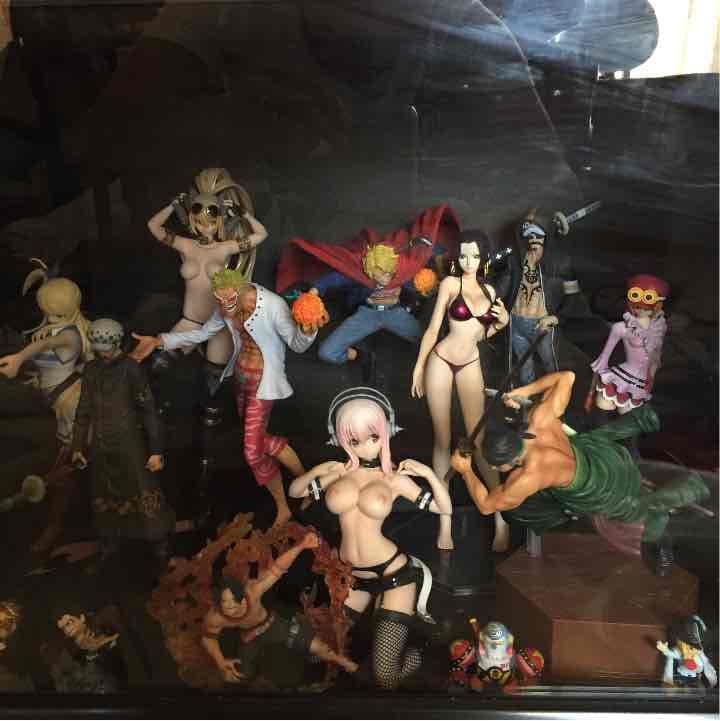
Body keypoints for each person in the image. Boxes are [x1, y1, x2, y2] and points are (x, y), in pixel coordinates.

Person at [450, 370, 710, 575]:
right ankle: (640, 425)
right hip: (608, 457)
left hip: (601, 488)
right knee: (584, 441)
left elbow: (486, 505)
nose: (494, 469)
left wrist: (466, 471)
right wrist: (525, 391)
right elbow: (567, 376)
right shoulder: (540, 418)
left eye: (496, 466)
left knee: (635, 509)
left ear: (507, 461)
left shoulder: (528, 477)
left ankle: (685, 493)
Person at [289, 388, 452, 690]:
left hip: (393, 574)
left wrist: (429, 474)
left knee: (386, 677)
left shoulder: (394, 479)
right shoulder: (339, 473)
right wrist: (319, 470)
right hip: (351, 577)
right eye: (354, 440)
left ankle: (418, 655)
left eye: (373, 437)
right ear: (340, 438)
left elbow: (444, 508)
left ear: (385, 433)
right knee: (314, 654)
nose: (366, 446)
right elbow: (296, 492)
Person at [131, 269, 322, 528]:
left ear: (241, 290)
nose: (224, 307)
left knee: (252, 452)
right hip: (240, 379)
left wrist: (308, 329)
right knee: (259, 441)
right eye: (219, 301)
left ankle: (286, 504)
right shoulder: (225, 305)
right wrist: (160, 341)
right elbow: (202, 333)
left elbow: (297, 345)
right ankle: (305, 484)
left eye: (229, 301)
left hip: (263, 384)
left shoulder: (273, 305)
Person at [276, 205, 458, 379]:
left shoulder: (403, 269)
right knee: (327, 352)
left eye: (388, 275)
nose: (385, 280)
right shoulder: (360, 273)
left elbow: (429, 250)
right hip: (367, 315)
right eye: (379, 275)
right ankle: (362, 355)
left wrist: (437, 277)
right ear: (369, 271)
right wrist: (312, 294)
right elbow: (331, 279)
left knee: (435, 344)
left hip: (395, 314)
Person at [411, 231, 510, 551]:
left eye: (475, 256)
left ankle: (500, 519)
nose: (468, 261)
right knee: (442, 440)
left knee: (477, 441)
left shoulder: (490, 291)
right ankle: (445, 523)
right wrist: (419, 367)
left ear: (484, 258)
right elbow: (433, 329)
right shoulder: (450, 284)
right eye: (464, 255)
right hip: (441, 360)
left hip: (470, 362)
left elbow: (479, 334)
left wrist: (502, 323)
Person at [146, 168, 267, 397]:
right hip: (190, 320)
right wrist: (173, 205)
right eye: (200, 223)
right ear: (193, 221)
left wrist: (243, 214)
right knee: (158, 365)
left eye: (211, 223)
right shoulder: (185, 245)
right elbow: (153, 226)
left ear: (219, 221)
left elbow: (261, 235)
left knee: (213, 382)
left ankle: (212, 412)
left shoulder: (224, 248)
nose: (206, 227)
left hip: (218, 323)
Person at [71, 319, 175, 567]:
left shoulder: (131, 368)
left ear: (117, 343)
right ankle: (109, 540)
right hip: (101, 444)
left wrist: (156, 451)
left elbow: (148, 410)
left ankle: (159, 542)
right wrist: (77, 446)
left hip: (129, 443)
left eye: (107, 348)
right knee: (103, 492)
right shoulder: (91, 369)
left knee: (142, 488)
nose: (103, 353)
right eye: (99, 349)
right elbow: (83, 410)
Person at [0, 274, 93, 552]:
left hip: (71, 408)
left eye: (53, 312)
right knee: (67, 469)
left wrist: (20, 358)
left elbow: (45, 347)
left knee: (66, 471)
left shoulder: (69, 334)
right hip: (60, 404)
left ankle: (57, 526)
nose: (48, 317)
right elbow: (50, 363)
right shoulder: (58, 328)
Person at [201, 531, 357, 683]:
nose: (230, 608)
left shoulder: (253, 592)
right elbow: (208, 638)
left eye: (234, 602)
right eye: (225, 603)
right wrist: (221, 663)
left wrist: (301, 545)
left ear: (243, 599)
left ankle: (341, 661)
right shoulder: (216, 617)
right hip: (249, 638)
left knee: (318, 647)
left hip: (274, 624)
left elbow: (278, 568)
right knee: (238, 675)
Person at [496, 208, 587, 386]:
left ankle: (555, 397)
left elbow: (573, 297)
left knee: (551, 365)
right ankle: (526, 399)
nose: (532, 240)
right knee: (522, 366)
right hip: (516, 322)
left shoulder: (561, 263)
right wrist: (483, 292)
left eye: (537, 235)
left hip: (542, 324)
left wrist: (556, 317)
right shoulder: (515, 262)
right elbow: (501, 288)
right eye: (528, 235)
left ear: (546, 237)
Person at [591, 274, 668, 415]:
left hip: (639, 384)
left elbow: (656, 356)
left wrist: (652, 375)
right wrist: (598, 379)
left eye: (647, 308)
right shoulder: (621, 328)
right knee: (604, 406)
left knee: (628, 416)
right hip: (618, 378)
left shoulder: (658, 329)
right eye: (637, 306)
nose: (641, 311)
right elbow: (603, 359)